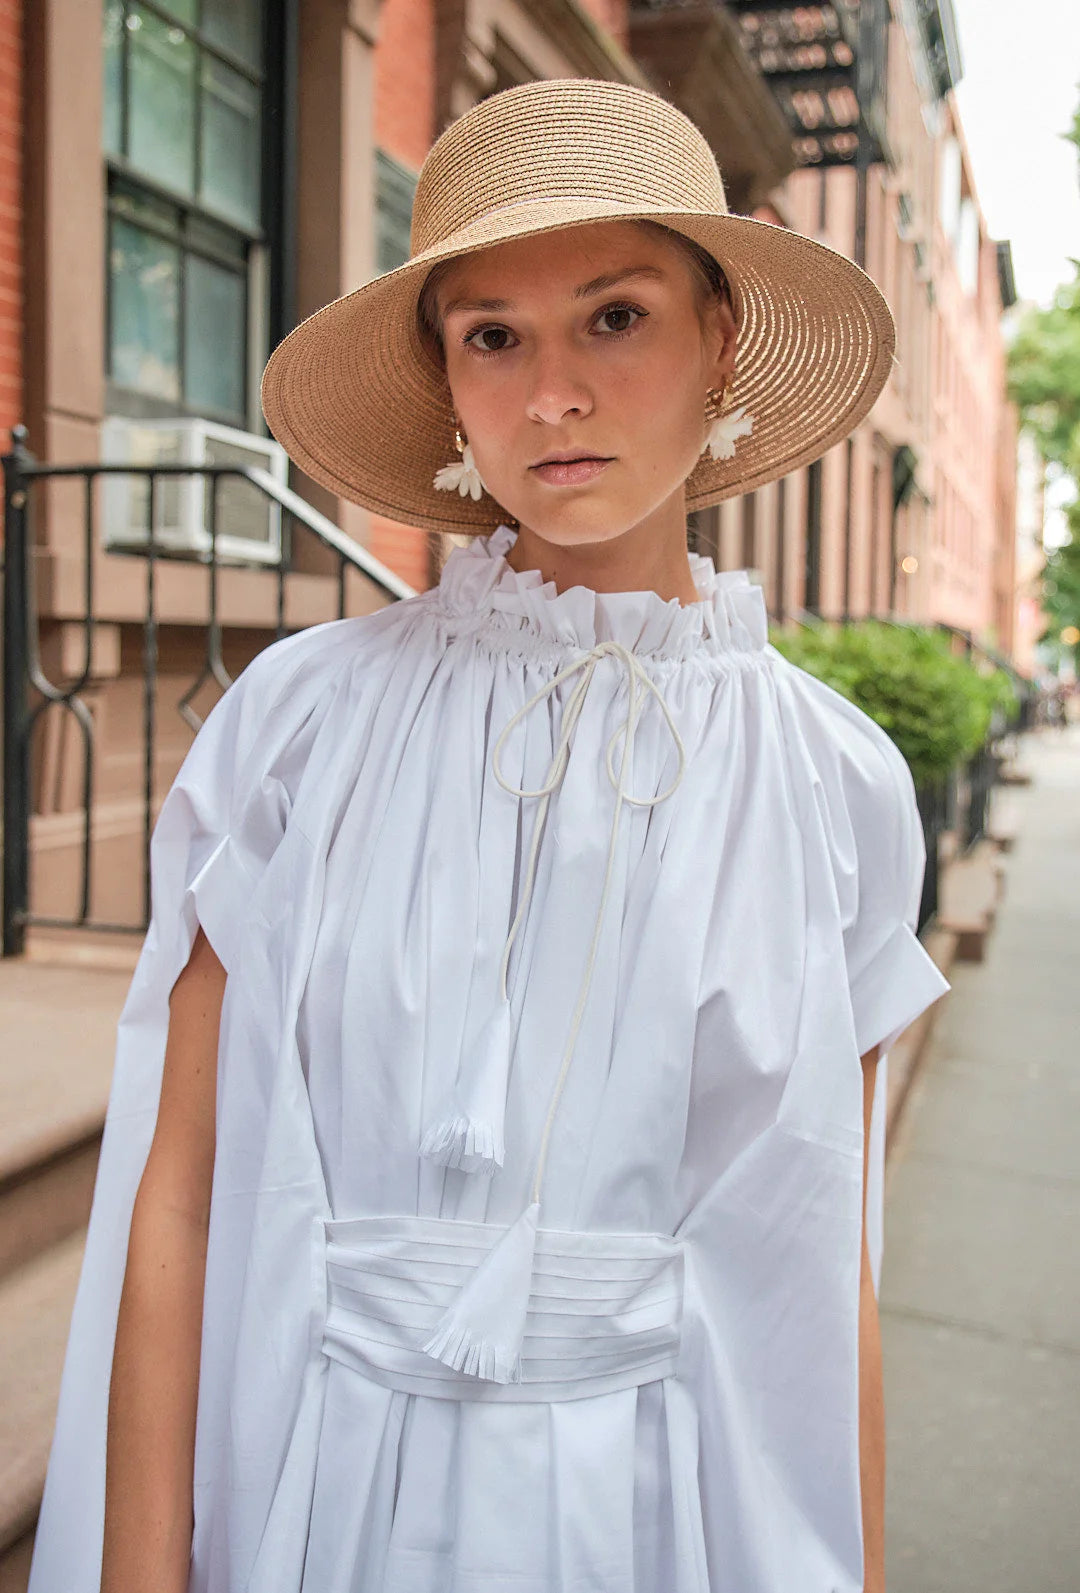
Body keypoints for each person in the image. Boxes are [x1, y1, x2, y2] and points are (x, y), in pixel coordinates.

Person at [27, 78, 952, 1593]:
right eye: (493, 334)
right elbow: (180, 1188)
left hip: (663, 1519)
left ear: (720, 338)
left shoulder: (832, 785)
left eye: (615, 316)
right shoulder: (299, 728)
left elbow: (816, 1269)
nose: (553, 396)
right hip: (317, 1496)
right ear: (447, 379)